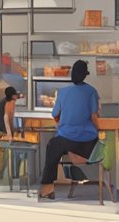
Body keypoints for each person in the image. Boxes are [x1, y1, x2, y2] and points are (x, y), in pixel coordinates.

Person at [37, 61, 101, 201]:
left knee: (52, 147)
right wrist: (97, 129)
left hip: (66, 139)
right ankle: (77, 165)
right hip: (87, 142)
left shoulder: (63, 92)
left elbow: (55, 114)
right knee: (86, 147)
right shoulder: (92, 92)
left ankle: (48, 188)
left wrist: (63, 123)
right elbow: (94, 117)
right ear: (85, 75)